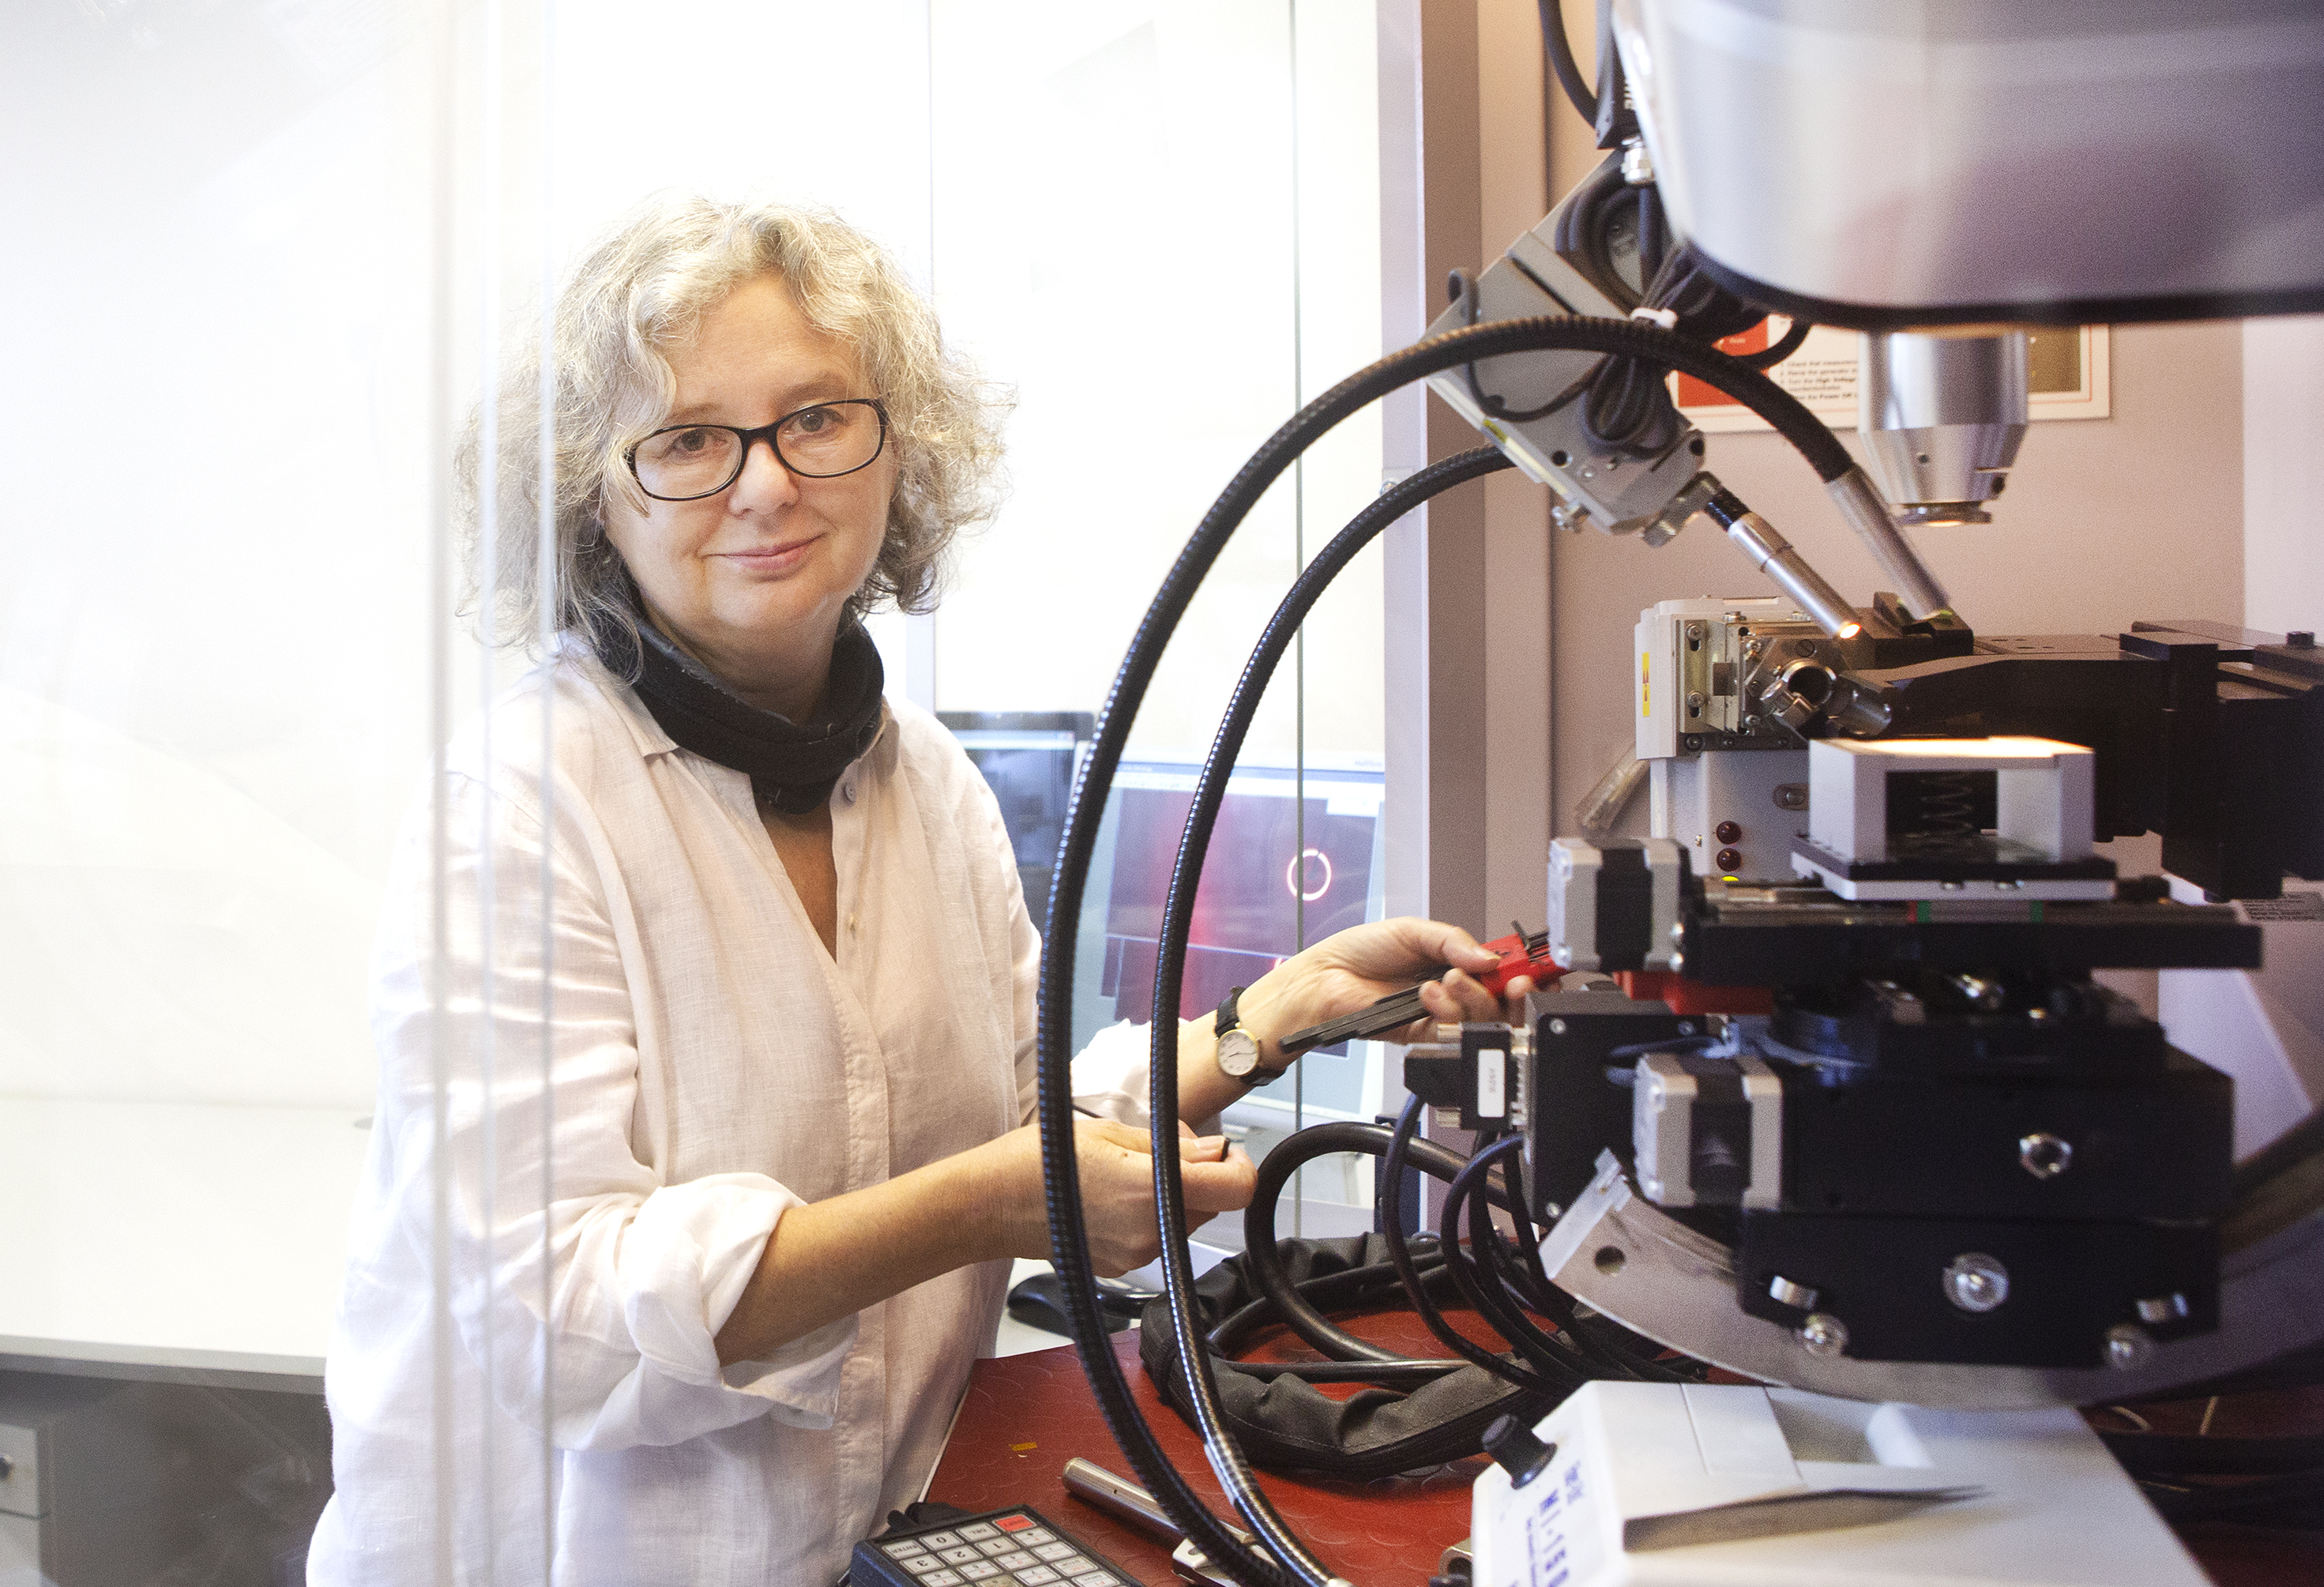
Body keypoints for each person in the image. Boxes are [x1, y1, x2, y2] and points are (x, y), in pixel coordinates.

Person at [306, 196, 1526, 1587]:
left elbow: (1006, 1135)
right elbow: (562, 1324)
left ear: (900, 448)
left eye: (817, 418)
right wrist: (980, 1212)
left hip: (878, 1544)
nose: (767, 484)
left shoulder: (926, 782)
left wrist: (1269, 1024)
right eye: (690, 439)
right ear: (596, 495)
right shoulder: (522, 806)